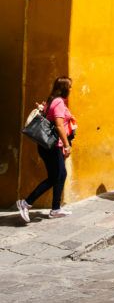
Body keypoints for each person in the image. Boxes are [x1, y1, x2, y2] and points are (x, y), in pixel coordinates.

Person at [16, 76, 77, 221]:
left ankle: (55, 209)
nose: (71, 90)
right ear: (64, 88)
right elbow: (59, 125)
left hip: (48, 146)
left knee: (60, 175)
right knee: (56, 176)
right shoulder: (59, 102)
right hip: (53, 146)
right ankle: (26, 203)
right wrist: (67, 146)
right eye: (70, 87)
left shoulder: (52, 100)